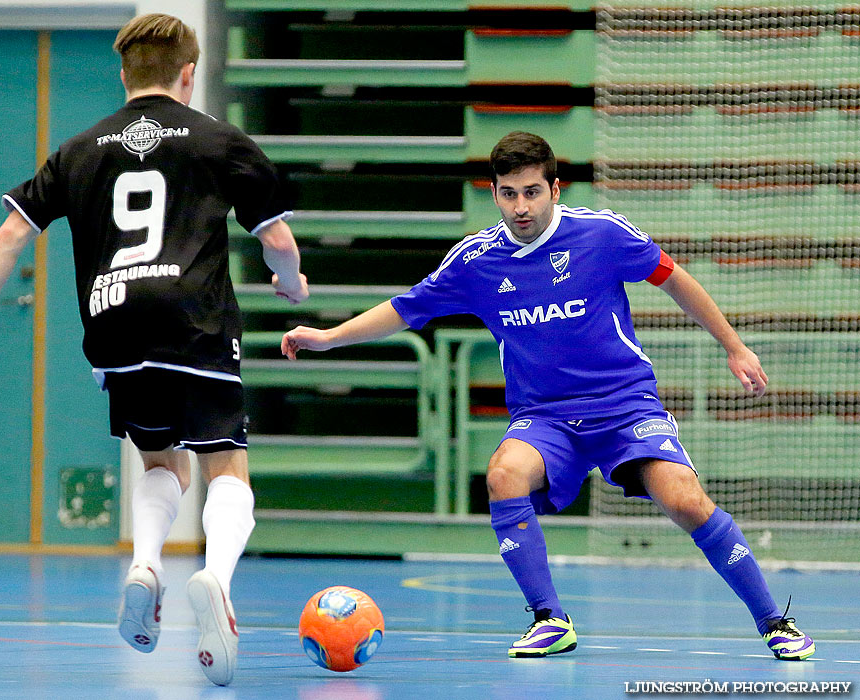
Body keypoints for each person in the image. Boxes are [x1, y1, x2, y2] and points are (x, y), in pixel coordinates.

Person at [281, 131, 814, 661]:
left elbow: (673, 279)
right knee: (503, 473)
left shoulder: (600, 235)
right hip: (545, 418)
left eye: (532, 191)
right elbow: (404, 309)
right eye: (509, 193)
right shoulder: (476, 261)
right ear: (494, 193)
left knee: (684, 498)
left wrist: (734, 346)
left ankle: (775, 622)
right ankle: (549, 619)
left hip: (624, 405)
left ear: (555, 189)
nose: (521, 206)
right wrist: (328, 337)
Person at [0, 13, 308, 686]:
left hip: (114, 326)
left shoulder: (80, 149)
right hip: (195, 318)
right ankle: (215, 581)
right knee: (225, 465)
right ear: (188, 74)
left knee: (160, 459)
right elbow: (275, 240)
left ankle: (146, 565)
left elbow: (10, 237)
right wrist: (290, 283)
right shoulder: (219, 141)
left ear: (123, 74)